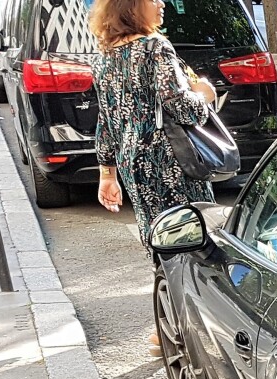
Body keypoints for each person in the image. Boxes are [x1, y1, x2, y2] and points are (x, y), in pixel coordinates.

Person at [89, 0, 216, 352]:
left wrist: (107, 174)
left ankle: (166, 326)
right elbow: (178, 102)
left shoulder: (102, 55)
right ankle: (193, 328)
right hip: (168, 159)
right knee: (191, 238)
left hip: (133, 165)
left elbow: (105, 120)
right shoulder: (155, 47)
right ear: (131, 6)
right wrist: (204, 96)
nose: (161, 4)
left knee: (159, 242)